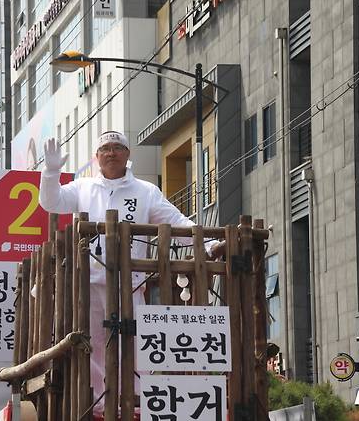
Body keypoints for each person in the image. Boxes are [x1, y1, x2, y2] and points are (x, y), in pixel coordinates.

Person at [38, 131, 223, 417]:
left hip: (131, 283)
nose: (110, 153)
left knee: (135, 341)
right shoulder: (83, 187)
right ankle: (99, 407)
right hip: (90, 280)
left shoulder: (146, 191)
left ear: (127, 154)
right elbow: (52, 203)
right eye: (104, 149)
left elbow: (176, 222)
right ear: (96, 157)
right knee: (94, 342)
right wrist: (51, 173)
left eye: (116, 148)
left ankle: (136, 402)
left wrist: (208, 244)